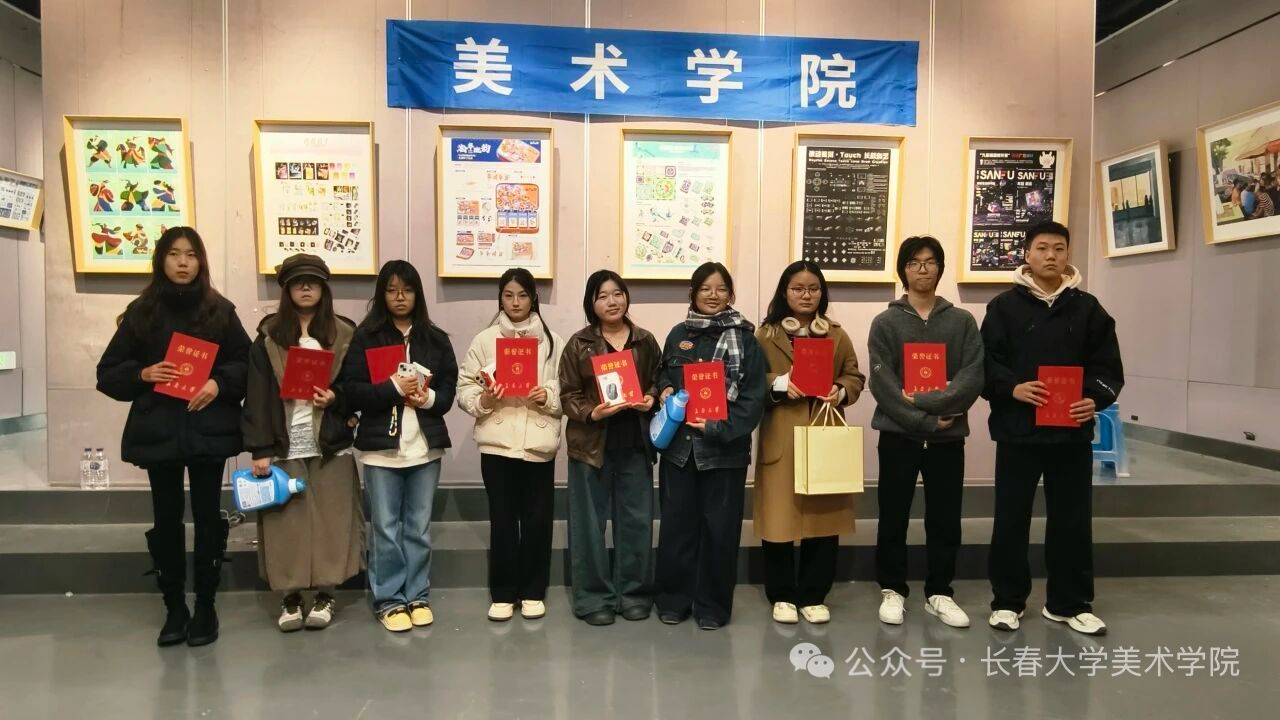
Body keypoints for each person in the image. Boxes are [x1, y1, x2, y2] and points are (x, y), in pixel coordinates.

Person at [96, 226, 250, 647]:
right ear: (161, 260)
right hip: (160, 430)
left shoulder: (220, 310)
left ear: (201, 261)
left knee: (207, 516)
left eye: (191, 254)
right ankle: (174, 607)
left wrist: (218, 383)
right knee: (166, 519)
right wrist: (143, 373)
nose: (183, 262)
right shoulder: (142, 312)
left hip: (208, 429)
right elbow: (107, 373)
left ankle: (205, 606)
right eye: (174, 254)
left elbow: (246, 363)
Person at [981, 221, 1124, 637]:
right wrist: (1012, 388)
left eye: (1059, 248)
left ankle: (1069, 603)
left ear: (1067, 255)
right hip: (1018, 431)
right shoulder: (1003, 307)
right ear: (1027, 254)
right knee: (1011, 519)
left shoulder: (1089, 309)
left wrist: (1093, 399)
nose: (1051, 256)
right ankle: (1007, 601)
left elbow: (1107, 367)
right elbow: (985, 363)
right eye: (1042, 248)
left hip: (1070, 433)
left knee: (1072, 521)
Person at [241, 254, 364, 633]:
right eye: (297, 282)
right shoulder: (268, 337)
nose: (306, 288)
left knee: (332, 521)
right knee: (286, 525)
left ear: (324, 288)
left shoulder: (344, 333)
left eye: (312, 282)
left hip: (329, 443)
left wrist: (336, 399)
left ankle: (326, 593)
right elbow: (256, 394)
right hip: (285, 442)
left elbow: (358, 386)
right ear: (287, 290)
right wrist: (260, 448)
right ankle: (290, 596)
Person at [868, 237, 984, 629]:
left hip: (948, 440)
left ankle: (940, 592)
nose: (923, 269)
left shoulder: (961, 321)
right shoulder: (885, 323)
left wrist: (928, 402)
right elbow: (882, 383)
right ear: (903, 269)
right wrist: (926, 421)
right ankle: (892, 589)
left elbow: (972, 376)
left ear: (940, 268)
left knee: (945, 517)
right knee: (893, 513)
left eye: (931, 261)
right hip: (899, 436)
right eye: (914, 262)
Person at [340, 260, 458, 633]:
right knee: (386, 528)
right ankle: (390, 600)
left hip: (424, 448)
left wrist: (426, 398)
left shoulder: (435, 339)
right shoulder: (366, 336)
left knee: (418, 528)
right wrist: (392, 388)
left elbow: (449, 391)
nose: (400, 297)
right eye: (391, 290)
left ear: (417, 294)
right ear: (382, 295)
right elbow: (351, 390)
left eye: (406, 290)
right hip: (381, 450)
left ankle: (417, 595)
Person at [654, 262, 767, 630]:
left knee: (720, 532)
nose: (713, 295)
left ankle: (713, 606)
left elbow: (753, 399)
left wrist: (720, 427)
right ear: (693, 293)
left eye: (720, 289)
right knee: (677, 528)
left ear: (730, 295)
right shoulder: (677, 334)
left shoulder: (746, 340)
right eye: (705, 288)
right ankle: (673, 599)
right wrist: (664, 388)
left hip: (725, 452)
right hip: (679, 450)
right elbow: (662, 373)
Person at [753, 261, 864, 626]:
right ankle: (782, 594)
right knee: (778, 519)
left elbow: (854, 375)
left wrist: (841, 391)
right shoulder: (765, 335)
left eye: (813, 288)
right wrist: (778, 383)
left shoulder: (836, 334)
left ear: (822, 293)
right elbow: (750, 380)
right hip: (782, 436)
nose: (806, 295)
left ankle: (814, 594)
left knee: (823, 518)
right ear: (784, 292)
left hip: (822, 431)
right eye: (798, 288)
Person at [457, 268, 565, 622]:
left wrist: (548, 396)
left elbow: (568, 388)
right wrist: (485, 399)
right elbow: (464, 388)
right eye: (508, 295)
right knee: (502, 519)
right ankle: (503, 593)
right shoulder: (484, 340)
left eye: (522, 295)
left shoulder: (553, 341)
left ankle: (533, 591)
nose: (515, 302)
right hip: (498, 444)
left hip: (538, 443)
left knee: (537, 520)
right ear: (500, 298)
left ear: (533, 298)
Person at [558, 270, 662, 626]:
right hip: (591, 446)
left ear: (626, 297)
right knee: (588, 525)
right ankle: (593, 598)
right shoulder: (579, 343)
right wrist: (592, 411)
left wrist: (651, 397)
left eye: (617, 293)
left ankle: (633, 593)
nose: (612, 301)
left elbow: (659, 379)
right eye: (602, 296)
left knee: (636, 522)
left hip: (635, 444)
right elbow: (567, 395)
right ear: (591, 303)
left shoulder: (645, 341)